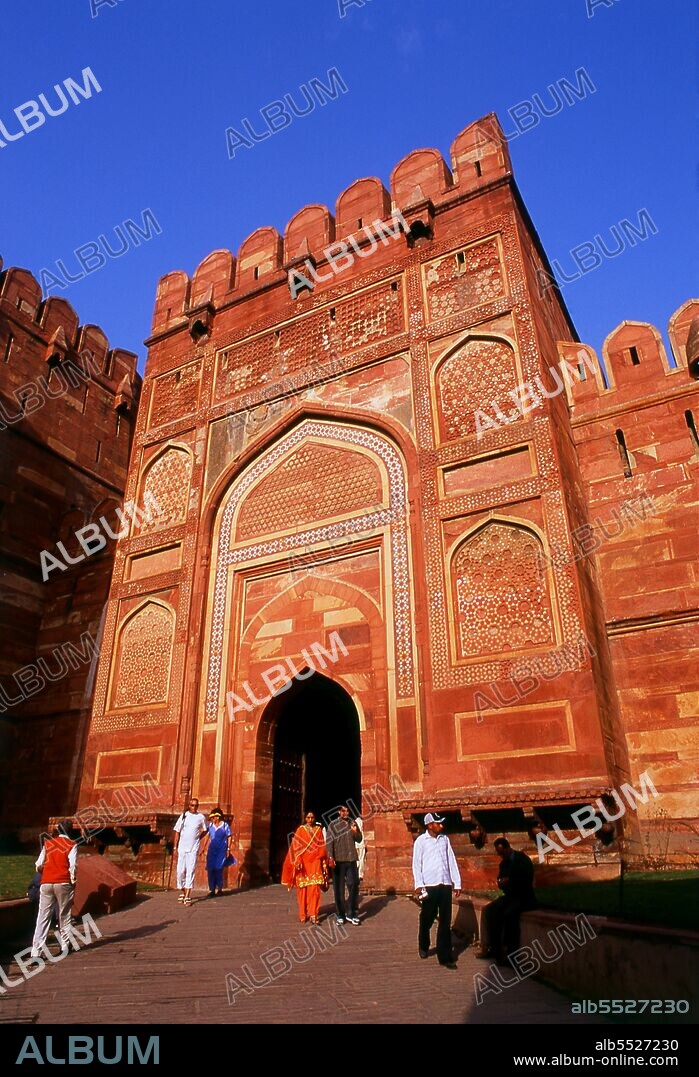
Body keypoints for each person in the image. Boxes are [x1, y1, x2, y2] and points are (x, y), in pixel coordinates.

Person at [412, 812, 461, 969]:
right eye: (438, 823)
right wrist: (419, 884)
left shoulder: (444, 839)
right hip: (430, 884)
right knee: (427, 917)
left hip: (444, 883)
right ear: (429, 825)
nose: (441, 826)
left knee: (445, 921)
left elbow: (451, 860)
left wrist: (457, 882)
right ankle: (424, 944)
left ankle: (445, 956)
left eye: (441, 823)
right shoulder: (421, 841)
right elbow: (416, 864)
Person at [476, 837, 536, 962]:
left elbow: (526, 878)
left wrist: (510, 880)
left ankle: (511, 953)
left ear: (508, 848)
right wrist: (502, 882)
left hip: (523, 896)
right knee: (489, 911)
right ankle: (491, 947)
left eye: (502, 853)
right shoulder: (504, 863)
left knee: (509, 915)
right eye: (499, 853)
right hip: (510, 896)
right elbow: (501, 879)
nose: (501, 856)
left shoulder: (522, 859)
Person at [30, 821, 77, 958]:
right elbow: (73, 866)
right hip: (63, 882)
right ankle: (64, 946)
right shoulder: (71, 845)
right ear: (70, 831)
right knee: (64, 915)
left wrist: (48, 871)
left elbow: (38, 865)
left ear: (58, 831)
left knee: (43, 917)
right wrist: (73, 881)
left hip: (46, 882)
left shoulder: (48, 844)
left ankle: (36, 952)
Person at [281, 810, 328, 924]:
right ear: (305, 818)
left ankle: (313, 914)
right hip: (303, 863)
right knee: (303, 889)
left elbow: (321, 846)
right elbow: (296, 848)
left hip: (315, 861)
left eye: (312, 817)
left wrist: (322, 859)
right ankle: (303, 913)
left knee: (315, 889)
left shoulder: (318, 830)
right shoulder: (300, 830)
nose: (310, 819)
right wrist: (297, 860)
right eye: (308, 817)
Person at [325, 804, 362, 925]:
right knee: (339, 889)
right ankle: (341, 914)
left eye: (347, 811)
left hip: (351, 859)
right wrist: (330, 857)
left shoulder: (353, 823)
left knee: (354, 884)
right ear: (339, 812)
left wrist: (355, 831)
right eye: (343, 811)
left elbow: (359, 839)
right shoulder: (333, 825)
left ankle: (352, 912)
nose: (346, 813)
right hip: (338, 860)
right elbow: (329, 842)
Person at [173, 796, 207, 905]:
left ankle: (187, 896)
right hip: (182, 847)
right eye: (192, 805)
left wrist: (198, 837)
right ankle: (183, 891)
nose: (194, 807)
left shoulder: (201, 817)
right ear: (189, 806)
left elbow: (205, 829)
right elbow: (177, 831)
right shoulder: (184, 816)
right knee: (180, 872)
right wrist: (175, 846)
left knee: (190, 870)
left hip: (193, 848)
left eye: (196, 805)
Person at [203, 808, 234, 897]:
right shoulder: (211, 825)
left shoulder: (225, 825)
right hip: (212, 849)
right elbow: (207, 836)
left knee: (219, 868)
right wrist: (204, 847)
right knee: (211, 868)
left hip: (221, 849)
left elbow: (229, 836)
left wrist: (228, 848)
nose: (213, 818)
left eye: (214, 816)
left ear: (218, 817)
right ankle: (212, 889)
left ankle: (219, 888)